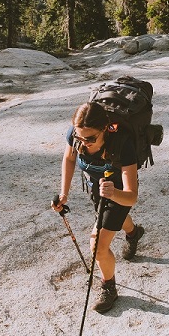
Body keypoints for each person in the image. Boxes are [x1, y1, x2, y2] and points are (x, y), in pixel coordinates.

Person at [52, 101, 146, 313]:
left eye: (90, 139)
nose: (83, 144)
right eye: (79, 138)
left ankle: (108, 287)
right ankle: (133, 233)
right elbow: (68, 158)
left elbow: (131, 198)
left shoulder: (123, 143)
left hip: (119, 191)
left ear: (105, 129)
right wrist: (63, 194)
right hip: (98, 187)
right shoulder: (76, 135)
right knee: (110, 221)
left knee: (98, 246)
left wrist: (114, 193)